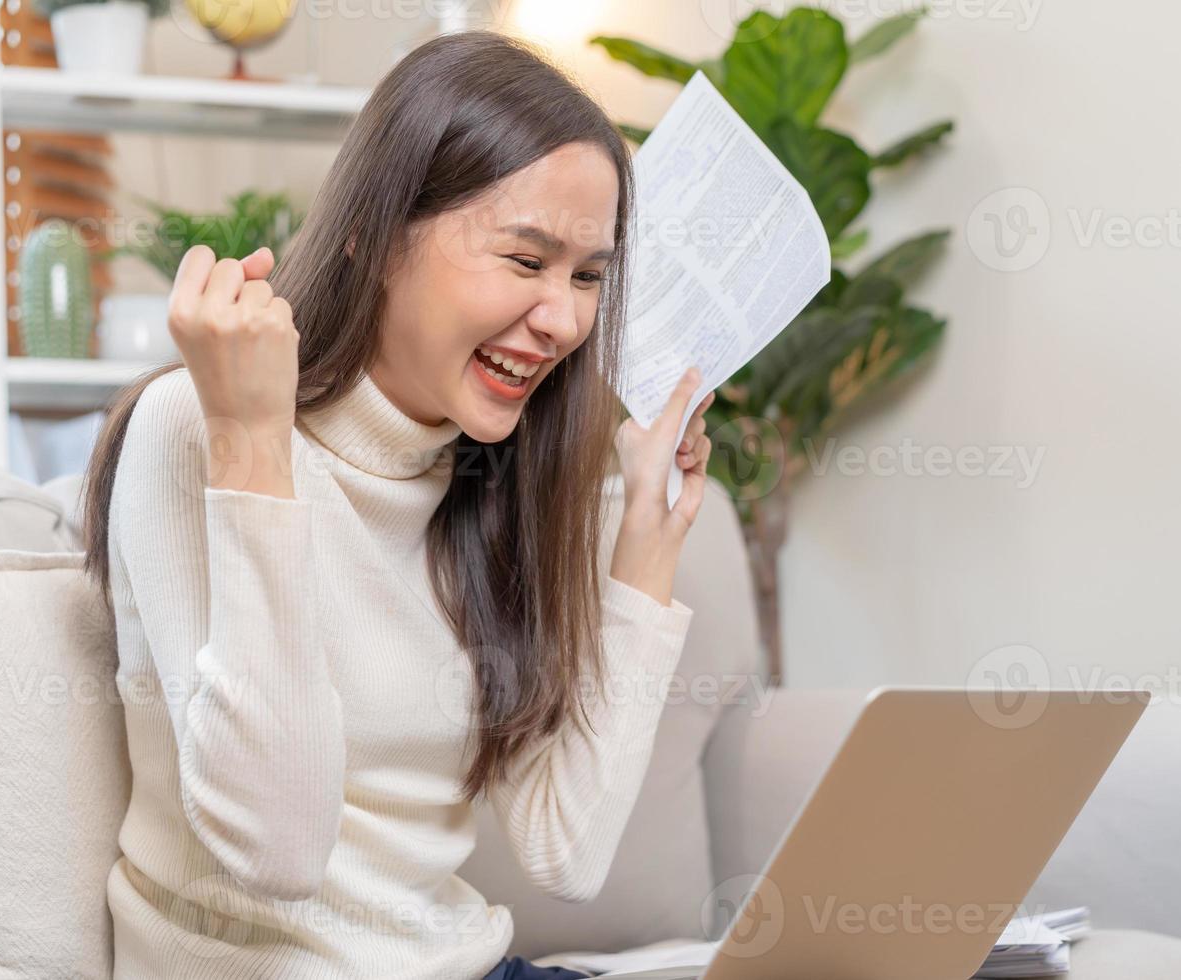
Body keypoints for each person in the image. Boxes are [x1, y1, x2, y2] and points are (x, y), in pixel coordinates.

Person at [80, 27, 715, 980]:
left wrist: (646, 547)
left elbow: (566, 853)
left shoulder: (491, 474)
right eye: (526, 259)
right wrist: (254, 444)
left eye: (588, 275)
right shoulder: (196, 423)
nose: (566, 320)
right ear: (377, 241)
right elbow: (279, 852)